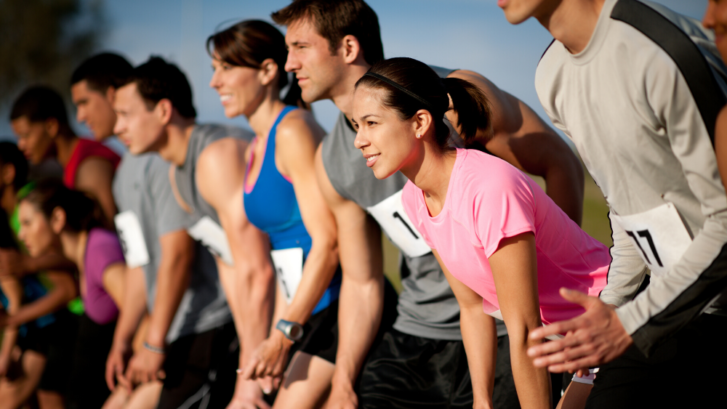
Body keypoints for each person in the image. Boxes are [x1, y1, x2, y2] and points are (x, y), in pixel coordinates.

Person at [271, 1, 587, 407]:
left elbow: (561, 164)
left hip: (512, 324)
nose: (289, 63)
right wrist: (344, 381)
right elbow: (363, 281)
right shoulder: (332, 162)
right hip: (422, 329)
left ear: (348, 47)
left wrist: (553, 301)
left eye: (299, 46)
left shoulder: (455, 95)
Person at [496, 0, 727, 407]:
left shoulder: (661, 53)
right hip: (658, 308)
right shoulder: (552, 76)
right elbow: (628, 208)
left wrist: (624, 324)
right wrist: (608, 310)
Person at [351, 56, 609, 409]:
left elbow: (523, 328)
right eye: (356, 125)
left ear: (420, 122)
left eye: (371, 123)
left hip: (618, 317)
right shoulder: (415, 198)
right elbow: (472, 307)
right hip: (575, 345)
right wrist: (481, 400)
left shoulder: (489, 187)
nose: (359, 140)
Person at [114, 56, 273, 409]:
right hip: (252, 320)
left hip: (286, 311)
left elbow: (257, 269)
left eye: (126, 114)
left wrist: (249, 373)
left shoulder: (216, 155)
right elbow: (230, 264)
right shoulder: (175, 171)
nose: (117, 127)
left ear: (163, 111)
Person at [207, 20, 342, 408]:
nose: (215, 82)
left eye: (226, 68)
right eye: (215, 69)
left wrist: (283, 333)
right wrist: (272, 337)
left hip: (333, 304)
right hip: (301, 310)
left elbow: (327, 242)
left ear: (268, 71)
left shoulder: (292, 131)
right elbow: (285, 262)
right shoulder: (255, 146)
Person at [18, 180, 126, 409]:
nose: (21, 234)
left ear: (57, 219)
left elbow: (139, 307)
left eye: (27, 223)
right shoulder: (85, 254)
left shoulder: (99, 249)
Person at [0, 143, 77, 409]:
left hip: (64, 321)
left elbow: (67, 287)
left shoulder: (30, 206)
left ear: (7, 173)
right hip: (40, 325)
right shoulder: (12, 216)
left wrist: (30, 265)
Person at [10, 86, 120, 225]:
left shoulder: (89, 165)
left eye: (26, 135)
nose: (21, 145)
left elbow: (106, 234)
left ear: (51, 126)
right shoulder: (71, 166)